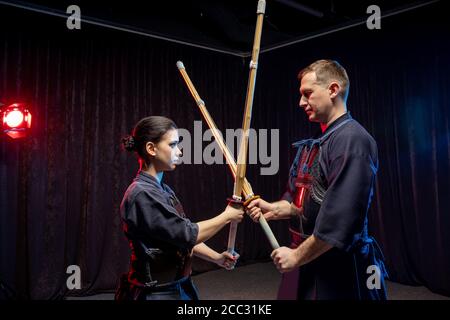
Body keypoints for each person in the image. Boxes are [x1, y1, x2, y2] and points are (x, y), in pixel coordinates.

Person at [246, 59, 388, 300]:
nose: (301, 102)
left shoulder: (352, 140)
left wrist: (296, 257)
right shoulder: (315, 142)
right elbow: (299, 204)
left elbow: (340, 222)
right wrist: (273, 208)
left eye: (307, 94)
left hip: (338, 267)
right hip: (307, 258)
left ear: (333, 90)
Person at [116, 116, 244, 300]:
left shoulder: (162, 189)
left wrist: (217, 258)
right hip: (156, 294)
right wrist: (227, 216)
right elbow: (187, 233)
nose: (180, 151)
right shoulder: (141, 194)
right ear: (151, 148)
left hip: (178, 286)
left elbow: (179, 237)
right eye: (173, 144)